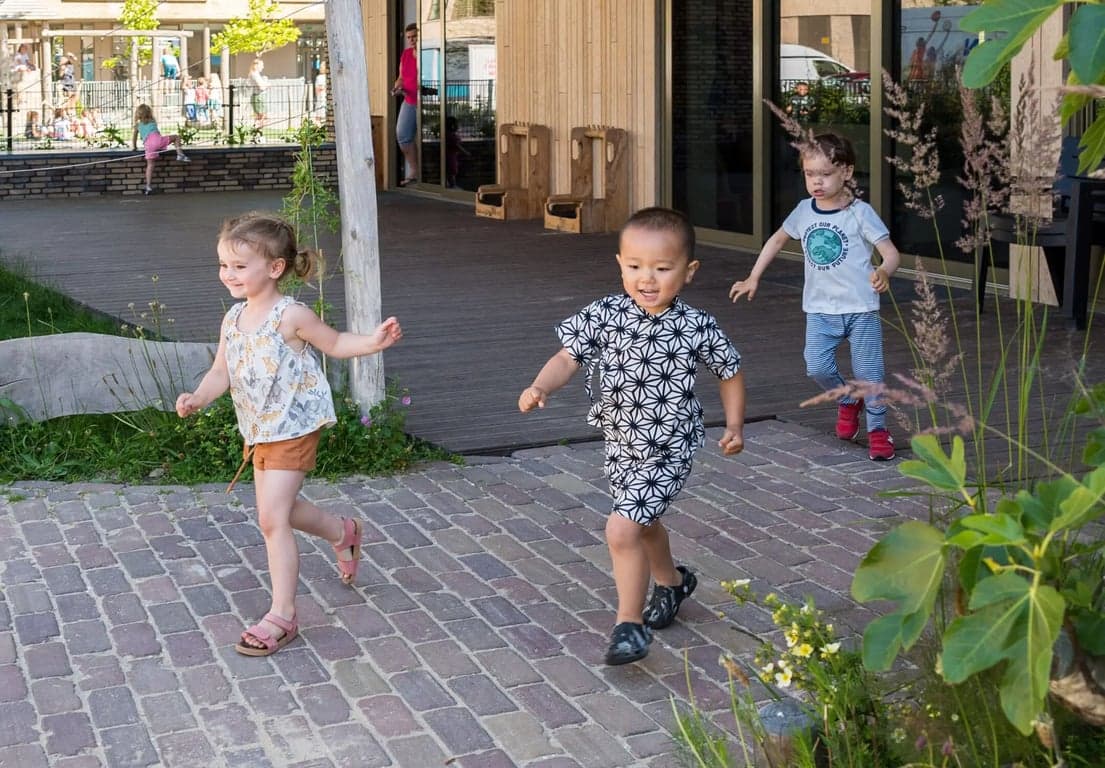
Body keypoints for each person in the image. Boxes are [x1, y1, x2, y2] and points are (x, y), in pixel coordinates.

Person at [519, 206, 747, 665]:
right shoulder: (604, 314)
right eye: (635, 266)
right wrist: (541, 384)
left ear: (688, 271)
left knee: (622, 528)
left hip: (671, 446)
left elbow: (730, 371)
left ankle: (629, 626)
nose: (648, 278)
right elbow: (567, 358)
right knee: (645, 525)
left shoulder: (696, 325)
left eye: (662, 269)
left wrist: (735, 424)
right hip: (622, 445)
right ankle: (672, 582)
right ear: (620, 263)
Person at [175, 212, 404, 657]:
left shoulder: (291, 314)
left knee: (271, 519)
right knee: (281, 509)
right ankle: (343, 531)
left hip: (294, 429)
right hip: (259, 430)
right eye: (224, 265)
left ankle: (283, 614)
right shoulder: (233, 318)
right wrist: (198, 397)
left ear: (275, 268)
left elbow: (336, 344)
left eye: (240, 266)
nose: (229, 275)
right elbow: (220, 371)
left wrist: (373, 342)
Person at [729, 132, 901, 461]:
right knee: (816, 366)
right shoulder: (804, 211)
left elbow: (891, 254)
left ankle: (878, 430)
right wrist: (754, 276)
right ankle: (848, 399)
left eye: (825, 174)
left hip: (860, 307)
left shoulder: (860, 213)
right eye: (810, 174)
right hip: (820, 310)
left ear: (846, 172)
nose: (816, 182)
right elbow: (777, 240)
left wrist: (883, 272)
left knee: (870, 374)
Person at [132, 103, 190, 195]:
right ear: (149, 113)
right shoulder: (152, 121)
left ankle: (148, 186)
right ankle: (180, 154)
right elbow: (156, 132)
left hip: (148, 146)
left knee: (150, 165)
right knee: (176, 137)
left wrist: (134, 147)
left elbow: (134, 138)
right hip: (158, 141)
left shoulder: (137, 126)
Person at [392, 23, 419, 186]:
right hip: (409, 100)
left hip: (426, 102)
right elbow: (401, 77)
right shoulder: (406, 54)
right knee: (402, 135)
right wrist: (397, 87)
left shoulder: (426, 53)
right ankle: (414, 170)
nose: (412, 40)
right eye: (409, 37)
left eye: (414, 36)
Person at [444, 115, 469, 188]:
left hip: (451, 155)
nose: (458, 126)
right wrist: (466, 153)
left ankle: (451, 185)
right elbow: (457, 146)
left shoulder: (448, 134)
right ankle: (452, 185)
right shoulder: (451, 135)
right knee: (452, 171)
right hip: (451, 156)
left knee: (450, 172)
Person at [248, 58, 269, 131]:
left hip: (258, 96)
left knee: (261, 117)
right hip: (258, 96)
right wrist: (267, 84)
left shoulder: (255, 74)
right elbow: (261, 87)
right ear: (257, 65)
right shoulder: (254, 75)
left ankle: (257, 132)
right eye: (262, 65)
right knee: (261, 117)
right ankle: (256, 131)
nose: (263, 67)